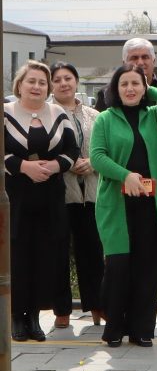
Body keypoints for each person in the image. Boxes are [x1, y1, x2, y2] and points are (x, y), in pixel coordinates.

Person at [90, 65, 157, 347]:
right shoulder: (105, 119)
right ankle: (114, 330)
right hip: (117, 205)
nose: (130, 89)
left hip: (151, 206)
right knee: (118, 268)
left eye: (136, 84)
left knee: (148, 269)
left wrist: (147, 85)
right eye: (124, 84)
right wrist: (125, 175)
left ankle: (142, 330)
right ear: (115, 89)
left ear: (145, 88)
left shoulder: (153, 115)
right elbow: (97, 157)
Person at [4, 60, 80, 342]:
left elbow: (72, 150)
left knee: (44, 257)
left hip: (50, 198)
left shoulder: (58, 113)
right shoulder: (5, 113)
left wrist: (55, 166)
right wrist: (24, 167)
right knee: (18, 257)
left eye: (42, 82)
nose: (36, 87)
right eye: (31, 81)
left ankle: (34, 317)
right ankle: (16, 316)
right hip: (15, 199)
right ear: (20, 85)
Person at [49, 62, 105, 328]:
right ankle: (61, 309)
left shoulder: (95, 115)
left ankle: (97, 305)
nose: (63, 83)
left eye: (68, 78)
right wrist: (67, 163)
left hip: (92, 193)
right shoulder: (46, 114)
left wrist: (93, 163)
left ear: (76, 81)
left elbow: (107, 149)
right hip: (60, 194)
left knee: (92, 251)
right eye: (57, 79)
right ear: (51, 85)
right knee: (58, 253)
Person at [94, 38, 157, 111]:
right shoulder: (106, 94)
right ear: (124, 63)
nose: (140, 62)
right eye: (134, 58)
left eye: (145, 57)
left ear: (153, 61)